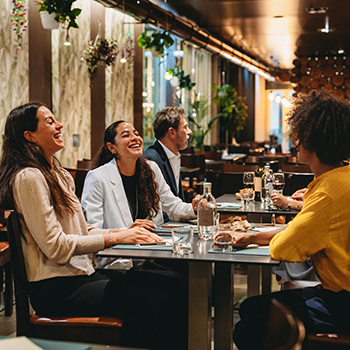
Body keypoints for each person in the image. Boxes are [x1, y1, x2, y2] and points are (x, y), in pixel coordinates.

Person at [0, 102, 188, 350]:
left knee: (174, 284)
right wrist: (114, 238)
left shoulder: (57, 174)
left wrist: (121, 233)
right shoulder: (29, 177)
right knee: (160, 299)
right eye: (49, 122)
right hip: (57, 287)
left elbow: (80, 230)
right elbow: (56, 246)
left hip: (80, 275)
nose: (60, 125)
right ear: (29, 136)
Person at [215, 91, 350, 349]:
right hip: (337, 291)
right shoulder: (340, 178)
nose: (295, 142)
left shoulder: (328, 193)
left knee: (248, 328)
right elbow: (300, 231)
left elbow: (284, 247)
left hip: (342, 302)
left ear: (312, 140)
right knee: (251, 306)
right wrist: (250, 236)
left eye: (298, 136)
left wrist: (254, 237)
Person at [81, 119, 198, 230]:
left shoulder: (151, 169)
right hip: (117, 250)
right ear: (112, 147)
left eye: (136, 134)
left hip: (153, 245)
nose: (135, 138)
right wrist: (126, 232)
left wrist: (195, 208)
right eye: (126, 135)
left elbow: (172, 206)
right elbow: (92, 229)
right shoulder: (97, 178)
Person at [143, 107, 192, 222]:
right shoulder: (151, 161)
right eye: (185, 127)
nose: (189, 131)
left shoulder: (173, 155)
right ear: (172, 132)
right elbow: (159, 209)